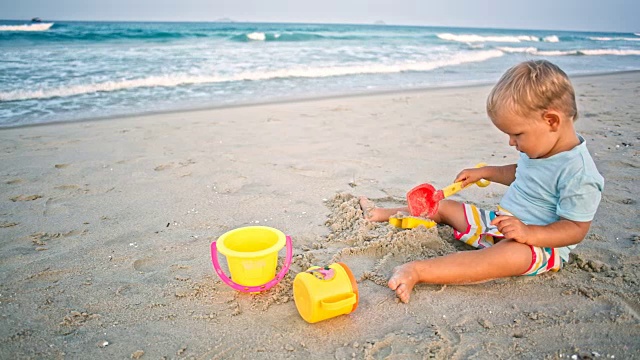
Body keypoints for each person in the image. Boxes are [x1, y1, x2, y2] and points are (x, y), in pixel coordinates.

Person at [360, 60, 604, 303]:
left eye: (517, 134)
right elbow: (522, 175)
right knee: (444, 206)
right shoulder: (541, 149)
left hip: (539, 247)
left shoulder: (580, 174)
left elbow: (575, 229)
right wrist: (486, 172)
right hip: (500, 224)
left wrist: (529, 234)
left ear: (551, 121)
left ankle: (418, 271)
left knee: (494, 260)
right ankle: (381, 213)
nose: (511, 142)